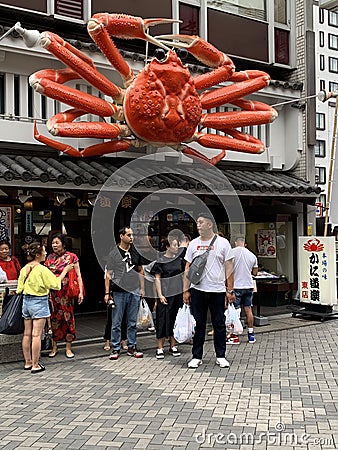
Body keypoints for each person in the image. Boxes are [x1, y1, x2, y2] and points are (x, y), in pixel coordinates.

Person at [183, 212, 235, 369]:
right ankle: (196, 356)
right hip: (197, 289)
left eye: (201, 222)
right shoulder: (193, 244)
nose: (198, 225)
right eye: (197, 222)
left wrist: (230, 290)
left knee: (218, 323)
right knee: (199, 324)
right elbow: (187, 268)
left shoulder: (223, 243)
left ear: (210, 224)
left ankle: (220, 355)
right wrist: (185, 290)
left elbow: (229, 268)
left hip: (217, 290)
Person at [18, 242, 73, 373]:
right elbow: (55, 284)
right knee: (36, 335)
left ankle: (27, 362)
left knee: (27, 334)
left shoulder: (24, 269)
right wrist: (65, 270)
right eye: (44, 252)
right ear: (37, 255)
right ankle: (35, 365)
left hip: (26, 302)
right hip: (39, 302)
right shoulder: (42, 269)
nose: (46, 253)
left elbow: (20, 288)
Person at [104, 226, 145, 360]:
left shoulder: (135, 251)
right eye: (128, 235)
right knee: (117, 321)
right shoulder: (114, 253)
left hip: (134, 289)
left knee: (132, 321)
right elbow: (108, 274)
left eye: (132, 235)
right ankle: (115, 347)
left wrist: (142, 288)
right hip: (119, 290)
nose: (131, 237)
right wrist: (106, 293)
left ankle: (132, 346)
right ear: (121, 236)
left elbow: (140, 270)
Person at [44, 233, 84, 358]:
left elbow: (78, 275)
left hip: (67, 294)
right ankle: (54, 347)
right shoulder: (49, 258)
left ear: (64, 244)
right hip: (53, 294)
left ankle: (68, 347)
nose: (54, 245)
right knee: (54, 319)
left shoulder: (72, 257)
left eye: (57, 242)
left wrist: (81, 291)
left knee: (68, 319)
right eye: (53, 243)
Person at [151, 237, 185, 359]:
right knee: (162, 319)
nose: (177, 248)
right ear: (167, 246)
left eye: (177, 245)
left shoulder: (180, 261)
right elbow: (157, 278)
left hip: (177, 294)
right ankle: (160, 347)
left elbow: (183, 277)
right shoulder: (160, 261)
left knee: (175, 319)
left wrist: (185, 292)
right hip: (165, 293)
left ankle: (173, 345)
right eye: (174, 245)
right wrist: (159, 295)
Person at [227, 236, 258, 345]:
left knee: (236, 312)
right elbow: (255, 272)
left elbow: (227, 270)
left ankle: (235, 336)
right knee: (248, 310)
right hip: (248, 286)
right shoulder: (252, 255)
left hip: (236, 286)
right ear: (245, 243)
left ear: (236, 242)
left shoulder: (231, 253)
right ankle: (251, 335)